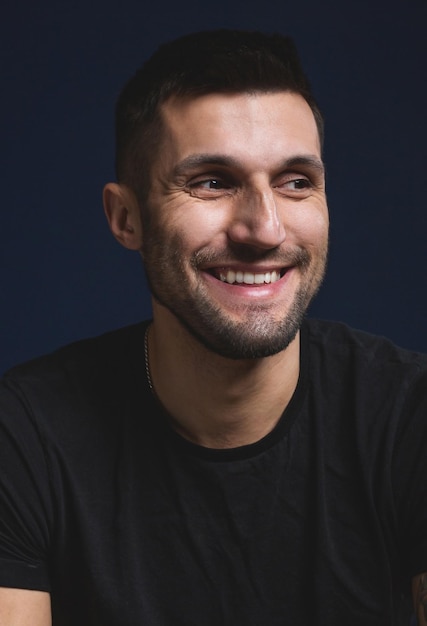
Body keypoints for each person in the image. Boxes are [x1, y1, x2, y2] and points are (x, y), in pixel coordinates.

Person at [0, 29, 426, 626]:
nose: (265, 228)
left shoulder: (409, 416)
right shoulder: (21, 437)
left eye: (296, 181)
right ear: (126, 218)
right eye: (213, 182)